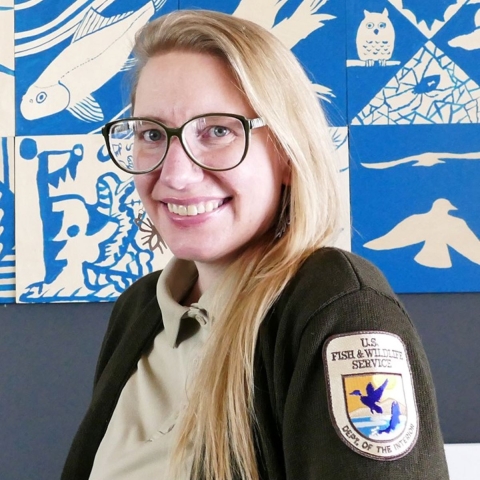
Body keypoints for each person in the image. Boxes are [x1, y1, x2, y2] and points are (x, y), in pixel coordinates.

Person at [62, 9, 449, 480]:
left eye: (218, 131)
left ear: (287, 152)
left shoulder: (339, 307)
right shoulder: (140, 311)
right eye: (151, 134)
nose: (177, 175)